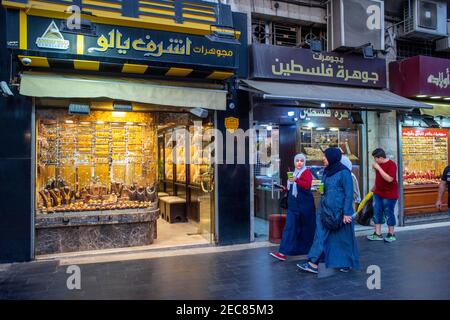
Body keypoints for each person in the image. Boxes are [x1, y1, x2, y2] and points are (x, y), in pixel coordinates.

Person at [297, 148, 359, 274]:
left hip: (340, 212)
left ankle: (345, 263)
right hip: (325, 209)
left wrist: (347, 212)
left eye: (325, 157)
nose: (323, 159)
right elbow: (326, 188)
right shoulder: (327, 171)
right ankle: (312, 263)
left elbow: (349, 193)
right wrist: (322, 190)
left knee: (343, 238)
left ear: (332, 157)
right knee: (320, 234)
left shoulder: (344, 172)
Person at [270, 154, 317, 261]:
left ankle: (310, 251)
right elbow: (293, 188)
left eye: (301, 161)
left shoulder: (306, 172)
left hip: (305, 207)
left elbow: (307, 185)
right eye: (297, 161)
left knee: (307, 229)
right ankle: (282, 253)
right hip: (293, 206)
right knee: (289, 228)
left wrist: (296, 180)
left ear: (304, 162)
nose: (299, 163)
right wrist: (285, 189)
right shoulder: (294, 173)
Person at [367, 148, 399, 243]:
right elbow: (379, 178)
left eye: (375, 158)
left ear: (380, 157)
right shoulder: (379, 165)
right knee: (377, 213)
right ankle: (377, 234)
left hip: (389, 194)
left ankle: (391, 234)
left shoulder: (391, 165)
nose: (374, 160)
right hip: (378, 193)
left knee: (388, 213)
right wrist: (374, 187)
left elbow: (389, 179)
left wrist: (379, 168)